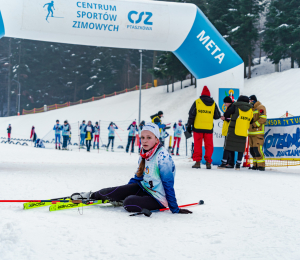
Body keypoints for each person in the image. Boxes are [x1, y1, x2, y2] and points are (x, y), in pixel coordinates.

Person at [70, 123, 192, 215]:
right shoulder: (144, 153)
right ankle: (91, 195)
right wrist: (125, 190)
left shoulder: (163, 157)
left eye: (149, 137)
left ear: (156, 139)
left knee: (128, 203)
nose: (144, 140)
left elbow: (168, 184)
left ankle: (128, 201)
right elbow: (138, 177)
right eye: (143, 137)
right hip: (143, 187)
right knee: (110, 191)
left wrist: (175, 209)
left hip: (158, 197)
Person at [186, 85, 221, 169]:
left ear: (202, 94)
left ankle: (197, 162)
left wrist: (189, 125)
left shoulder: (197, 102)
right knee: (209, 145)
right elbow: (217, 116)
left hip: (197, 128)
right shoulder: (213, 103)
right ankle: (208, 162)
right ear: (209, 95)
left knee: (198, 145)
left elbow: (191, 114)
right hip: (208, 129)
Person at [218, 96, 253, 170]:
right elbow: (251, 120)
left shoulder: (235, 106)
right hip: (243, 131)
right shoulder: (250, 109)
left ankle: (224, 164)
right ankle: (238, 165)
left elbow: (226, 114)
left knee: (228, 147)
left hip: (233, 130)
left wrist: (231, 118)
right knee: (240, 149)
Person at [248, 95, 267, 171]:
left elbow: (263, 119)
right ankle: (255, 165)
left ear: (254, 100)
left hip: (258, 132)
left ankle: (261, 166)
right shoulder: (250, 109)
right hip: (251, 133)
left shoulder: (261, 107)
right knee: (252, 151)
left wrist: (255, 125)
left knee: (258, 150)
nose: (250, 102)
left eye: (251, 101)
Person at [221, 97, 235, 168]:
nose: (225, 104)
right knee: (228, 147)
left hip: (229, 130)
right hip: (228, 130)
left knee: (229, 147)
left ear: (228, 102)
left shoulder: (231, 108)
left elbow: (230, 117)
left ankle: (230, 163)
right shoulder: (231, 107)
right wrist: (225, 119)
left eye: (225, 103)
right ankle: (229, 162)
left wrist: (225, 118)